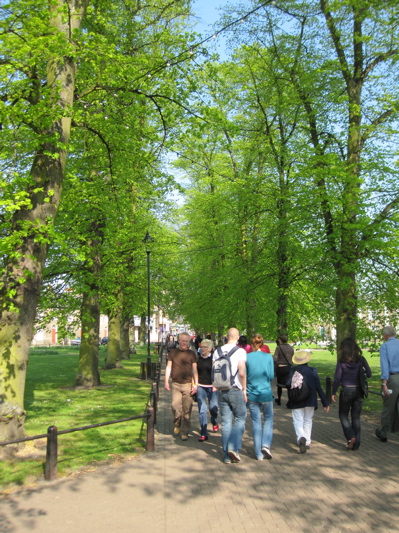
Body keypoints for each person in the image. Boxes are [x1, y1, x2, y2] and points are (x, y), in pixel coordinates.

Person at [213, 327, 247, 463]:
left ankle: (226, 456)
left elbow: (214, 370)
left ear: (226, 336)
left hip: (222, 389)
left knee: (226, 422)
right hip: (235, 388)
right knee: (240, 417)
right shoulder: (241, 351)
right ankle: (233, 447)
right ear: (238, 337)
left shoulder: (217, 351)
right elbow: (242, 373)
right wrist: (244, 389)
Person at [332, 338, 372, 450]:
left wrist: (333, 392)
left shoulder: (342, 361)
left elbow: (337, 378)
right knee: (356, 417)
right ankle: (356, 443)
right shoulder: (361, 360)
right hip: (359, 390)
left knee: (343, 414)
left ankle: (350, 436)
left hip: (346, 390)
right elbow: (369, 374)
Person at [286, 350, 329, 453]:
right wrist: (325, 402)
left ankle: (301, 437)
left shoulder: (293, 370)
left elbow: (287, 384)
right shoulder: (313, 371)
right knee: (308, 419)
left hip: (296, 399)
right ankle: (308, 440)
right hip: (310, 399)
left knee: (298, 420)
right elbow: (318, 387)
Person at [164, 332, 198, 441]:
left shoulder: (192, 354)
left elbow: (195, 370)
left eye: (186, 341)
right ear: (179, 341)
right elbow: (169, 367)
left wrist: (195, 384)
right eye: (182, 341)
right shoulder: (173, 353)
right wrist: (166, 381)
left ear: (189, 342)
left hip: (188, 384)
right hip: (176, 384)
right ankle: (177, 423)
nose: (184, 343)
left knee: (187, 410)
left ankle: (184, 432)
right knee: (175, 406)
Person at [246, 334, 274, 460]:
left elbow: (244, 375)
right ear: (262, 344)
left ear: (251, 345)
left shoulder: (247, 357)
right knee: (268, 419)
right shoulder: (268, 357)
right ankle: (266, 445)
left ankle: (258, 453)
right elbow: (271, 375)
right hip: (266, 393)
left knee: (256, 423)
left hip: (252, 393)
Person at [375, 326, 399, 442]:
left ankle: (384, 432)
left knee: (388, 407)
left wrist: (384, 383)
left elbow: (385, 366)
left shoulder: (385, 346)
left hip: (392, 379)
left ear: (385, 335)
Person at [196, 338, 219, 441]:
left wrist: (216, 385)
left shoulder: (214, 360)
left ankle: (214, 420)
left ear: (210, 348)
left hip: (212, 387)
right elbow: (194, 372)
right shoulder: (198, 359)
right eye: (201, 347)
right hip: (201, 386)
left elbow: (218, 373)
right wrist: (195, 384)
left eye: (204, 347)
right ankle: (204, 432)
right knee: (202, 410)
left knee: (213, 408)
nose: (202, 349)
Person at [273, 334, 294, 406]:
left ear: (280, 340)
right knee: (289, 385)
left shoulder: (279, 348)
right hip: (289, 367)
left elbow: (275, 358)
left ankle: (279, 399)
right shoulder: (290, 348)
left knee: (279, 385)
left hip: (281, 367)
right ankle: (290, 401)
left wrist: (277, 363)